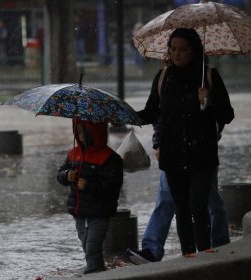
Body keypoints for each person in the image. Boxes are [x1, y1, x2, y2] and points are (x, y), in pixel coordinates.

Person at [135, 28, 234, 257]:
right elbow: (152, 111)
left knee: (198, 206)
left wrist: (208, 100)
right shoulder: (163, 77)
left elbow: (227, 115)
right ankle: (188, 257)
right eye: (173, 49)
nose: (177, 54)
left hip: (202, 154)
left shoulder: (208, 76)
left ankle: (206, 254)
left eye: (183, 49)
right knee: (181, 209)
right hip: (173, 153)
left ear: (194, 50)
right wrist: (127, 116)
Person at [126, 120, 231, 264]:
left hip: (202, 150)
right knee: (167, 199)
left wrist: (215, 131)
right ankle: (152, 249)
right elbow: (158, 112)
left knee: (207, 200)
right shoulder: (166, 99)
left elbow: (224, 110)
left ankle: (219, 243)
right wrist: (159, 142)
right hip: (174, 149)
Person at [57, 120, 123, 274]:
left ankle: (94, 271)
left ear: (94, 132)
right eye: (78, 132)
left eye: (83, 132)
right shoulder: (74, 154)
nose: (80, 136)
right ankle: (97, 269)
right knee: (86, 244)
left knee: (92, 245)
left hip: (100, 211)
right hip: (80, 210)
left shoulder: (110, 158)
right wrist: (67, 175)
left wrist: (88, 186)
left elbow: (112, 187)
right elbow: (60, 176)